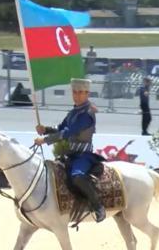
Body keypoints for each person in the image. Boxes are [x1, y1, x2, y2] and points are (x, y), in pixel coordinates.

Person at [34, 78, 106, 222]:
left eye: (80, 92)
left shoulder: (87, 113)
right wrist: (46, 129)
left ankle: (98, 206)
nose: (77, 95)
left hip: (83, 156)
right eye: (75, 92)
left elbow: (69, 132)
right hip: (71, 154)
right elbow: (60, 129)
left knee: (77, 176)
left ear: (87, 93)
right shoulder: (73, 112)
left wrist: (46, 140)